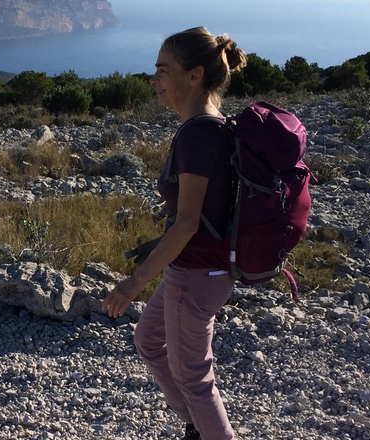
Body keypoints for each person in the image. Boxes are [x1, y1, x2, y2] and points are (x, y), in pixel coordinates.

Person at [102, 27, 247, 440]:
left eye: (163, 71)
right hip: (201, 270)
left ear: (195, 75)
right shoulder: (215, 125)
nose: (154, 80)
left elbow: (187, 223)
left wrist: (134, 283)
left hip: (196, 274)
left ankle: (208, 430)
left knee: (196, 379)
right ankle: (196, 426)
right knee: (149, 339)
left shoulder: (198, 135)